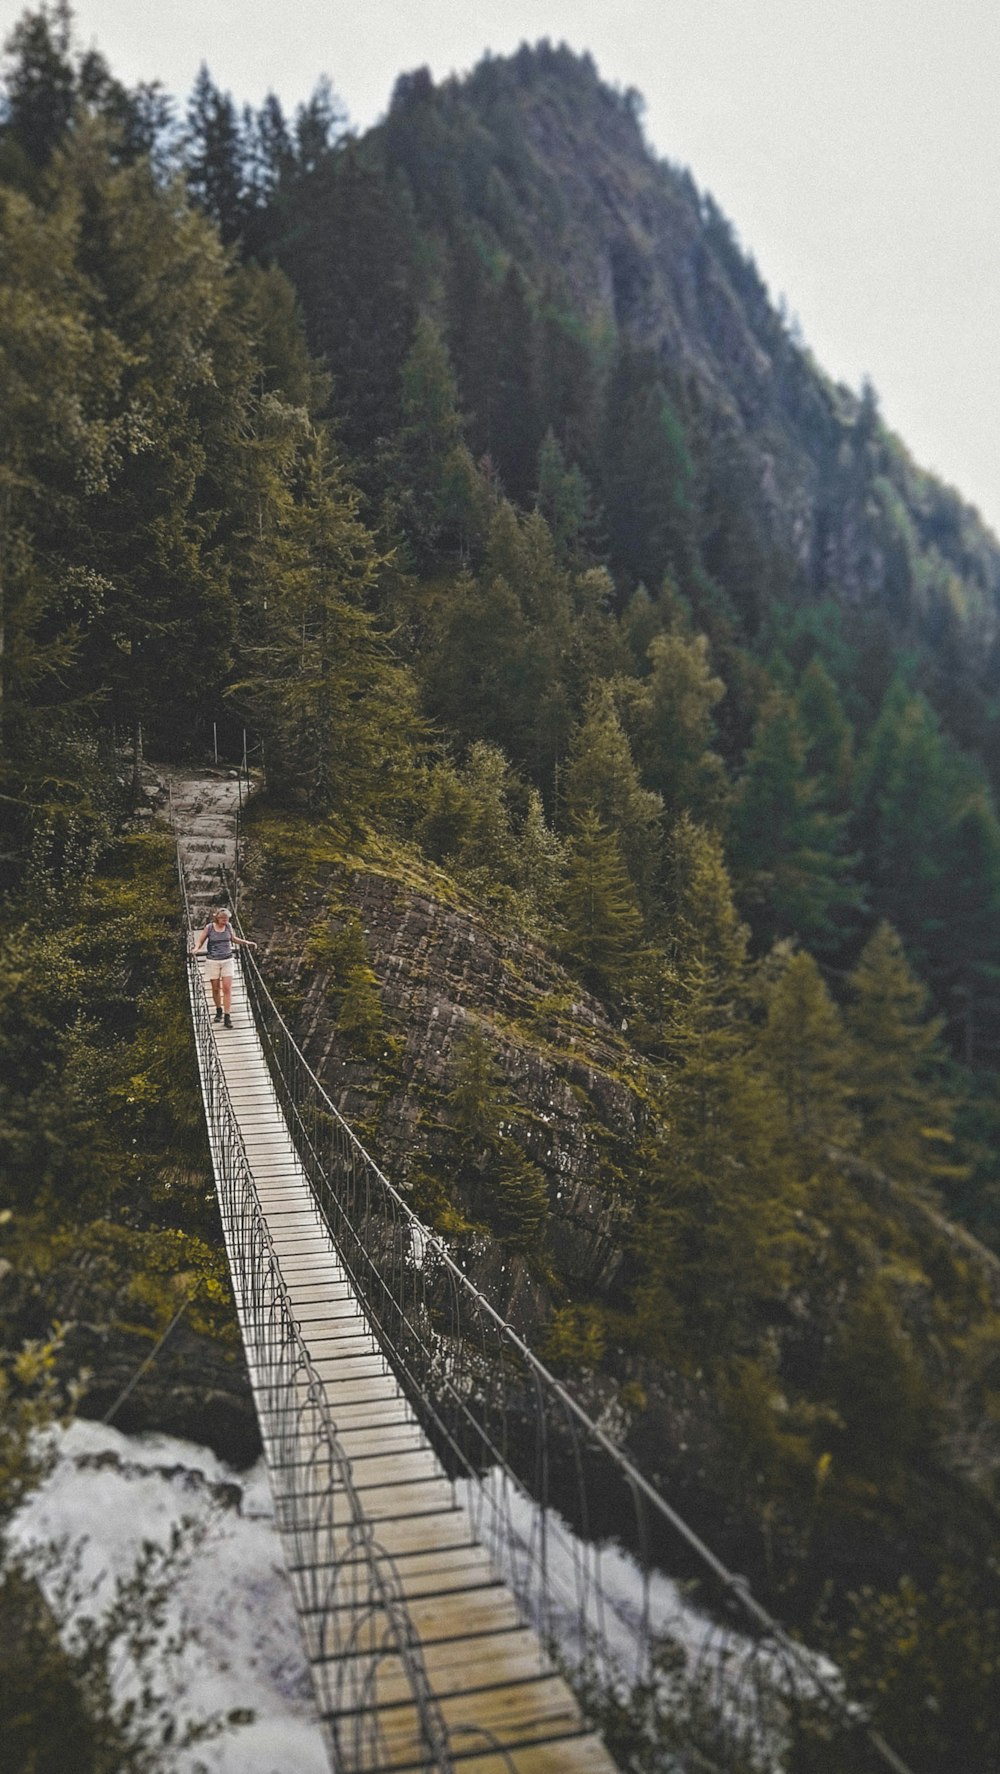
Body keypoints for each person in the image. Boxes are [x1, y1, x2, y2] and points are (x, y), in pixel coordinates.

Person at [192, 908, 257, 1028]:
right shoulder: (209, 928)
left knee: (227, 988)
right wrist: (196, 949)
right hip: (213, 961)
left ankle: (227, 1017)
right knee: (216, 989)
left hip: (228, 960)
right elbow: (200, 940)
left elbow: (233, 939)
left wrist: (247, 943)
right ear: (217, 917)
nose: (225, 921)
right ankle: (218, 1010)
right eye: (223, 919)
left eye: (227, 919)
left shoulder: (228, 926)